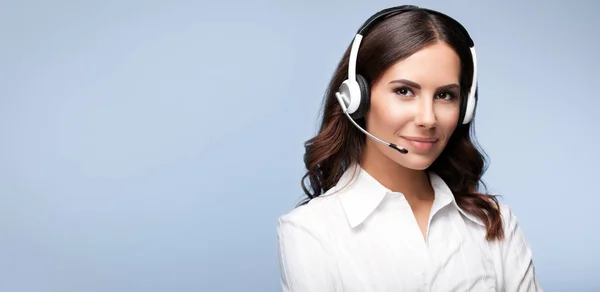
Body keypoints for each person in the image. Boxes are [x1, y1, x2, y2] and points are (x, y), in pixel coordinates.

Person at [276, 5, 542, 292]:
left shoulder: (494, 222)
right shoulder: (310, 231)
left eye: (445, 95)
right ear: (356, 99)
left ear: (465, 107)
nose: (428, 119)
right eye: (404, 91)